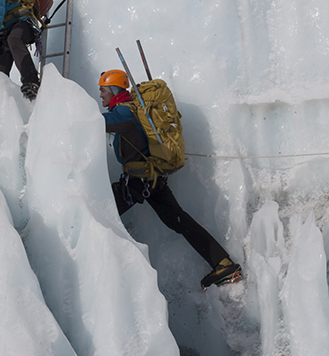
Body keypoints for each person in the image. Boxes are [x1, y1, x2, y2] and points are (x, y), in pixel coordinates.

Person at [98, 69, 242, 289]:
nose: (100, 95)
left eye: (103, 90)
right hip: (153, 181)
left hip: (139, 183)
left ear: (114, 90)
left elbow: (93, 121)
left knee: (99, 214)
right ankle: (223, 264)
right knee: (180, 221)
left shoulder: (124, 113)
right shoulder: (132, 111)